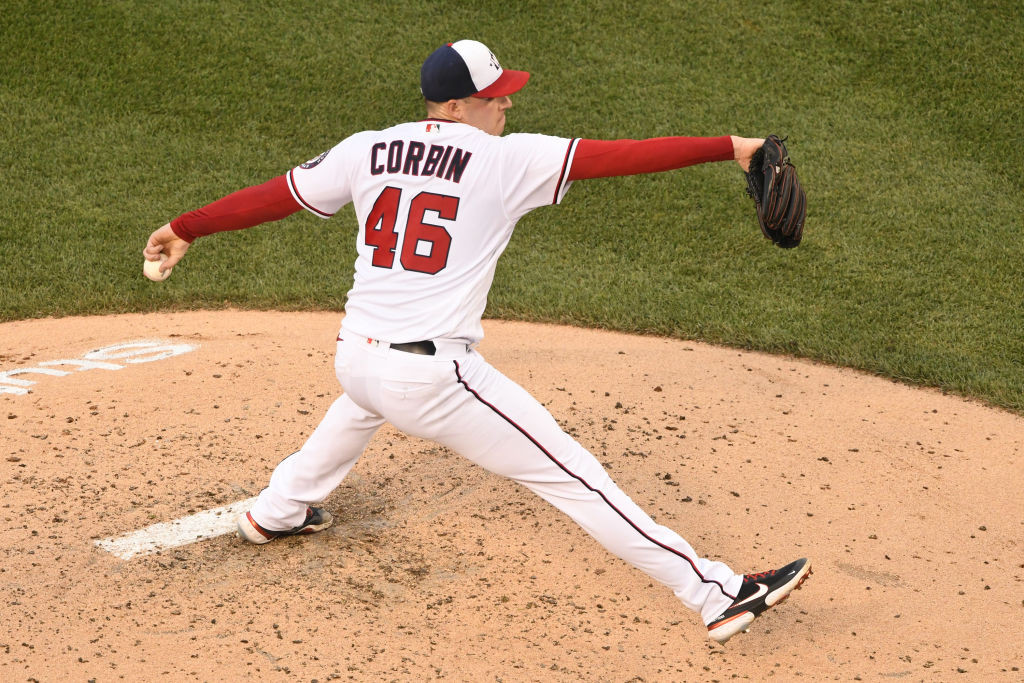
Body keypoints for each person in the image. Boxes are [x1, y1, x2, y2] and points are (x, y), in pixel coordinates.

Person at [143, 39, 810, 644]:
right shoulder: (505, 160)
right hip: (433, 380)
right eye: (496, 96)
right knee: (575, 474)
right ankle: (716, 592)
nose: (509, 103)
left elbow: (276, 195)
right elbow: (625, 157)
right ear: (458, 107)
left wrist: (186, 226)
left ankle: (278, 509)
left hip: (355, 354)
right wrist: (733, 145)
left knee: (364, 397)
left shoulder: (368, 147)